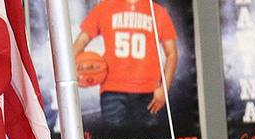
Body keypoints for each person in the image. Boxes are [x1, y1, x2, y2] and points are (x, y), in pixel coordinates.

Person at [72, 0, 178, 131]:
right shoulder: (105, 7)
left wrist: (164, 89)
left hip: (148, 93)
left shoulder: (157, 11)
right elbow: (80, 42)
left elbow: (172, 53)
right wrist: (74, 74)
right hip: (112, 90)